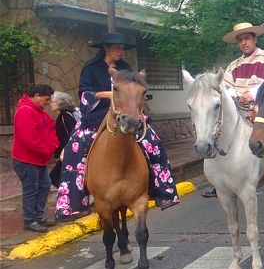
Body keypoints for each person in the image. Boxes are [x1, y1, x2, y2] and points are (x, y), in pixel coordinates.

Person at [54, 32, 180, 221]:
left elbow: (135, 88)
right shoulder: (91, 68)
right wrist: (109, 94)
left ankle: (163, 190)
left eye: (122, 48)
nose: (121, 51)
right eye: (117, 47)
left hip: (126, 112)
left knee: (152, 142)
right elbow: (84, 95)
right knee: (76, 146)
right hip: (98, 114)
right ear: (106, 48)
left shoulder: (125, 68)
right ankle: (72, 203)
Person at [219, 22, 264, 196]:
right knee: (220, 126)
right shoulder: (234, 65)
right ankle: (219, 176)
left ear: (254, 39)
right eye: (240, 40)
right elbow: (225, 86)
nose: (243, 43)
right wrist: (236, 94)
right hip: (238, 106)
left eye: (247, 38)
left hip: (263, 104)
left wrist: (252, 93)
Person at [12, 84, 60, 232]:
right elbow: (30, 139)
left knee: (44, 186)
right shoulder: (25, 111)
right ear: (37, 95)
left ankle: (38, 216)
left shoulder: (38, 111)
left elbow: (50, 128)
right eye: (46, 99)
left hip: (38, 159)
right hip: (26, 160)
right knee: (31, 189)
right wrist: (47, 151)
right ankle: (30, 220)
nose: (47, 103)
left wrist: (51, 147)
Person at [49, 91, 78, 188]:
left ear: (60, 103)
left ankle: (69, 195)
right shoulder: (65, 115)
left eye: (53, 102)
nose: (50, 104)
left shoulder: (65, 116)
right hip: (67, 151)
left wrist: (62, 146)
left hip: (67, 152)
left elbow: (72, 133)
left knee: (54, 176)